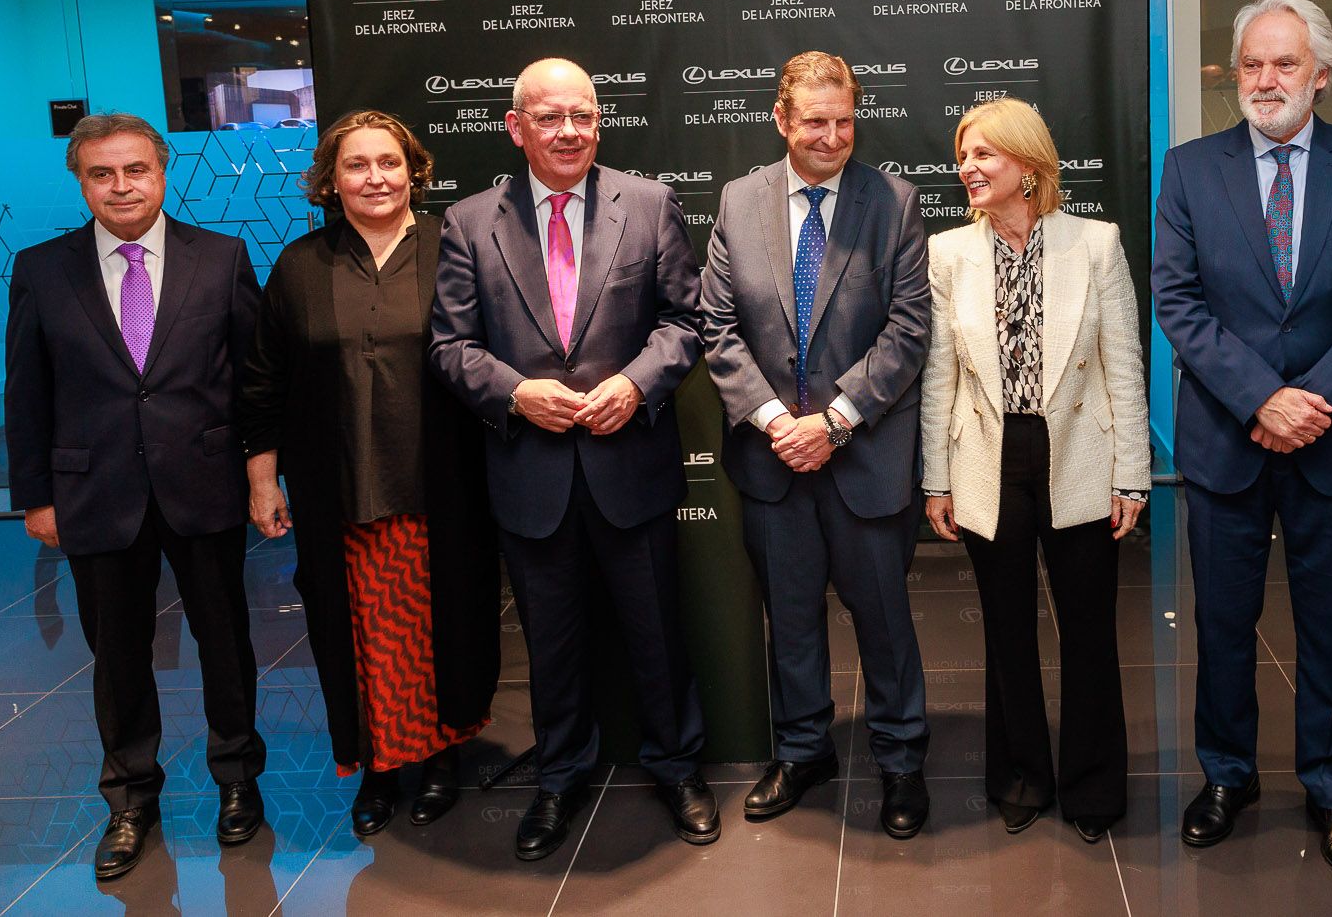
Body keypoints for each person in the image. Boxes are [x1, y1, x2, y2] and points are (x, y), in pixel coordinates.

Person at [1151, 0, 1332, 882]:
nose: (1265, 79)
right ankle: (1226, 775)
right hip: (1228, 439)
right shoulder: (1190, 168)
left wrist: (1311, 400)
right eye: (1251, 63)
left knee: (1331, 626)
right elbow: (1178, 300)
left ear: (1322, 73)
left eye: (1285, 62)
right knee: (1225, 623)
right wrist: (1263, 398)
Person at [429, 58, 717, 861]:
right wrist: (516, 392)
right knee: (551, 645)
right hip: (531, 473)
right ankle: (558, 778)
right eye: (550, 117)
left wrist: (637, 381)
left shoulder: (650, 204)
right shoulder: (469, 222)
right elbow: (450, 346)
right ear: (515, 127)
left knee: (657, 634)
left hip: (632, 466)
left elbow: (685, 320)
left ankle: (677, 767)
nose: (569, 132)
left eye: (583, 116)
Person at [4, 113, 266, 881]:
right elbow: (27, 391)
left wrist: (262, 475)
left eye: (135, 170)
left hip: (204, 483)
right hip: (94, 490)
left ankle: (238, 779)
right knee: (116, 655)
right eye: (102, 173)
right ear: (80, 180)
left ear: (163, 170)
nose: (121, 186)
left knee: (226, 642)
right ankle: (130, 798)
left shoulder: (221, 257)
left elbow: (253, 378)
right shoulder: (42, 269)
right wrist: (35, 496)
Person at [240, 110, 501, 839]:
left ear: (415, 170)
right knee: (361, 637)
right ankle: (378, 764)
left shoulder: (457, 246)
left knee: (444, 625)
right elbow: (262, 383)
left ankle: (443, 754)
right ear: (331, 181)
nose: (375, 178)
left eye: (389, 162)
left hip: (444, 488)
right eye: (356, 165)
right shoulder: (300, 265)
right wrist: (263, 481)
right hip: (340, 494)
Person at [700, 50, 933, 839]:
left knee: (885, 621)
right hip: (773, 459)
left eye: (844, 121)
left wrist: (833, 422)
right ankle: (803, 750)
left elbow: (908, 330)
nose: (831, 136)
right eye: (815, 122)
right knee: (791, 619)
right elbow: (718, 328)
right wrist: (776, 422)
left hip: (863, 455)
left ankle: (900, 758)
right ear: (781, 119)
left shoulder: (894, 201)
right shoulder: (738, 202)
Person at [919, 98, 1149, 843]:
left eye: (983, 153)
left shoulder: (1095, 242)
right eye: (963, 155)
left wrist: (1132, 473)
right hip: (988, 456)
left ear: (1028, 162)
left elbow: (1123, 364)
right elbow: (940, 376)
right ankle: (1021, 775)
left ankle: (1093, 785)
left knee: (1089, 628)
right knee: (1006, 628)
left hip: (1078, 451)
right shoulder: (948, 252)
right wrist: (936, 478)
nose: (968, 167)